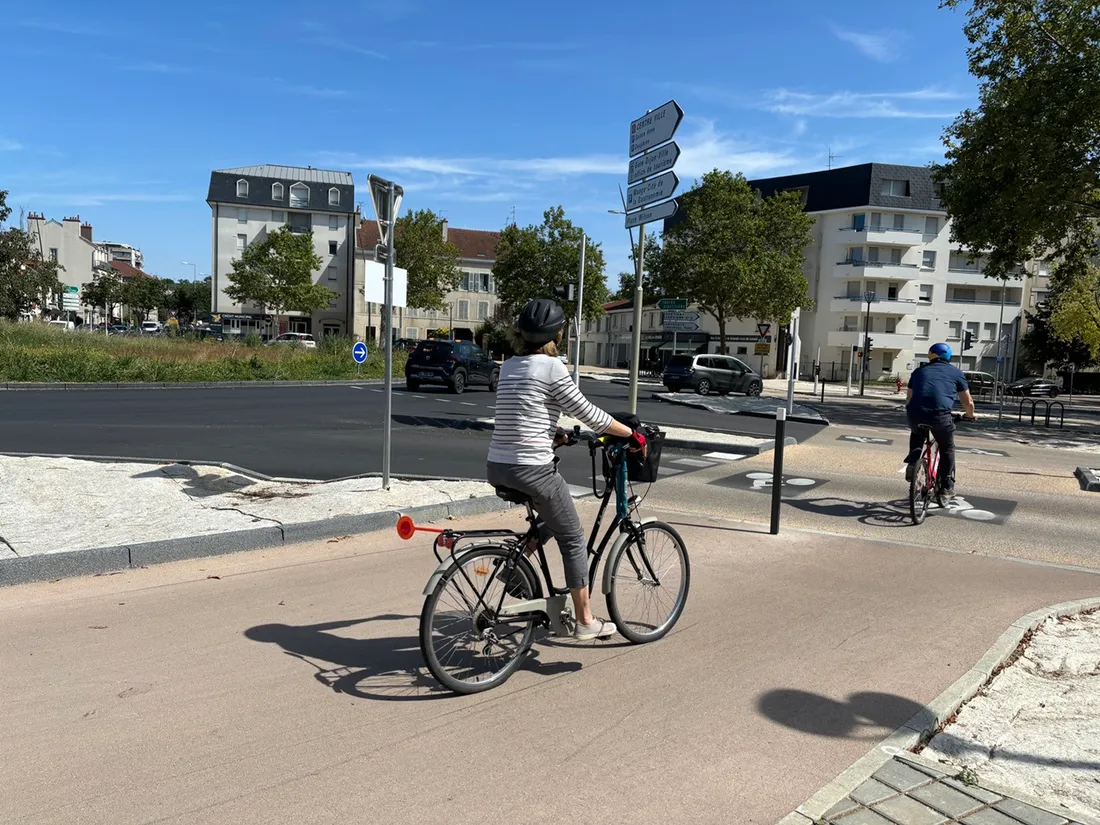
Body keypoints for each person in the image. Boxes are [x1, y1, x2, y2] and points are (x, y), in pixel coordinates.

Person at [487, 298, 644, 641]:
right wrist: (630, 434)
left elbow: (524, 411)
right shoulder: (552, 367)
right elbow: (588, 413)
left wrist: (555, 434)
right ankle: (586, 620)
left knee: (553, 515)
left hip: (497, 465)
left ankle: (513, 568)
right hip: (532, 469)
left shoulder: (509, 365)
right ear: (558, 335)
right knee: (573, 537)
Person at [904, 343, 977, 496]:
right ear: (948, 356)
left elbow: (909, 398)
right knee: (947, 447)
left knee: (917, 434)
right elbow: (968, 402)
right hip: (940, 417)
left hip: (915, 414)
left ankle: (913, 461)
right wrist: (970, 416)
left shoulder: (918, 372)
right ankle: (946, 485)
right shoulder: (956, 373)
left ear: (930, 355)